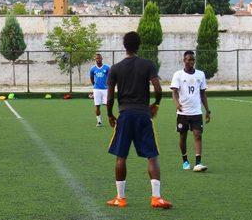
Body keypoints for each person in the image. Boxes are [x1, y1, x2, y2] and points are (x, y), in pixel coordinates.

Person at [106, 31, 172, 209]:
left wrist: (110, 115)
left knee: (121, 156)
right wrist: (156, 104)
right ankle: (156, 198)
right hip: (143, 115)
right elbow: (158, 89)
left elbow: (110, 96)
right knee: (152, 156)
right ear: (139, 45)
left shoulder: (116, 68)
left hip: (125, 115)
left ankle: (120, 198)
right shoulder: (147, 65)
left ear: (124, 46)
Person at [170, 51, 211, 172]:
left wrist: (208, 110)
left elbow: (203, 94)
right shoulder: (178, 74)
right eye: (188, 59)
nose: (191, 62)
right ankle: (185, 160)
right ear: (184, 60)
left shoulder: (200, 74)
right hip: (183, 113)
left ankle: (198, 162)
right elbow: (174, 92)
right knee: (183, 137)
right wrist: (177, 104)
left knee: (198, 135)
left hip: (196, 112)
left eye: (193, 60)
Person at [90, 53, 110, 127]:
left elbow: (110, 77)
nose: (98, 59)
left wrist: (109, 85)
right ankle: (99, 122)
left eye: (99, 58)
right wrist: (95, 85)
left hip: (105, 89)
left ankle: (110, 119)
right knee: (97, 105)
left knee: (107, 105)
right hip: (97, 89)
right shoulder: (92, 69)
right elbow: (92, 78)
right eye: (97, 58)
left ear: (102, 59)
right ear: (95, 59)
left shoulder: (107, 67)